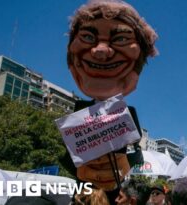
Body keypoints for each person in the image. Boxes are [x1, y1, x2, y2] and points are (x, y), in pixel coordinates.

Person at [62, 0, 158, 204]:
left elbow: (134, 156)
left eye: (121, 38)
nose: (100, 51)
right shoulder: (78, 116)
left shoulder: (126, 118)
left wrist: (126, 162)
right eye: (88, 37)